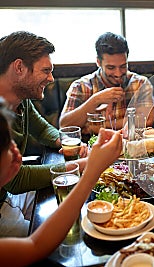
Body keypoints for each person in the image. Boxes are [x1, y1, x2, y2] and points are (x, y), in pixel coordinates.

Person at [0, 97, 122, 267]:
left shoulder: (22, 104)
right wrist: (92, 169)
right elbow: (35, 246)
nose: (16, 148)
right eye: (7, 142)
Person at [0, 31, 87, 237]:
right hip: (4, 200)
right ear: (19, 67)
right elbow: (15, 179)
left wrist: (66, 142)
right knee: (58, 238)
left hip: (11, 196)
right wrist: (78, 166)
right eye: (46, 71)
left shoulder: (21, 100)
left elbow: (43, 129)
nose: (51, 78)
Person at [60, 32, 154, 136]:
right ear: (98, 62)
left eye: (123, 66)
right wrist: (96, 99)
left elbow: (148, 120)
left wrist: (97, 127)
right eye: (111, 68)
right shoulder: (81, 86)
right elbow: (65, 126)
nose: (118, 73)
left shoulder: (140, 83)